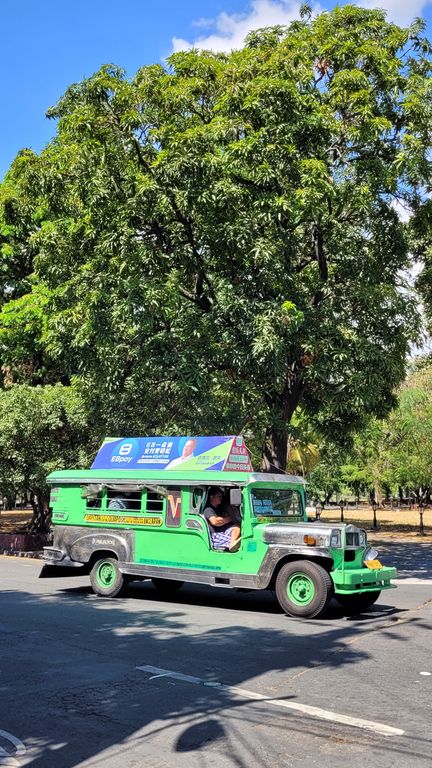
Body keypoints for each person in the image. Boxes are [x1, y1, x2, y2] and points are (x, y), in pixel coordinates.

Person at [203, 487, 241, 552]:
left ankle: (233, 543)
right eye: (219, 496)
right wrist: (229, 518)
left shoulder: (219, 508)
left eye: (221, 496)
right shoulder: (208, 509)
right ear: (212, 497)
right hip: (216, 536)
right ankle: (231, 544)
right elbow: (215, 521)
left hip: (223, 532)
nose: (221, 498)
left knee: (237, 527)